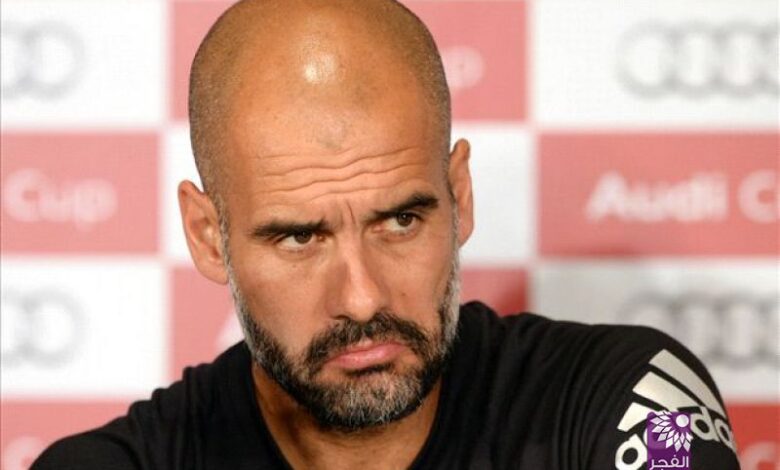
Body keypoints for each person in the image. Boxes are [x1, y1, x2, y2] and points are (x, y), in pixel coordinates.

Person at [33, 0, 740, 468]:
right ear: (208, 236)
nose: (364, 298)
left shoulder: (639, 401)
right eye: (300, 238)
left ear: (459, 197)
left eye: (401, 220)